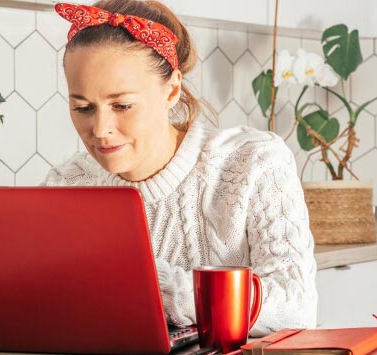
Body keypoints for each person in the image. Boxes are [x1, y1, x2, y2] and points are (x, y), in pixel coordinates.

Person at [41, 0, 317, 337]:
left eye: (122, 105)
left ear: (171, 90)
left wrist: (149, 284)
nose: (100, 129)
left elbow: (296, 307)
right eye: (83, 108)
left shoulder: (254, 162)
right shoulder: (66, 185)